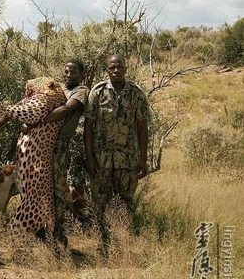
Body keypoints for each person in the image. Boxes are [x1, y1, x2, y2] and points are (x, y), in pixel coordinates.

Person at [83, 53, 150, 257]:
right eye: (112, 67)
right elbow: (88, 127)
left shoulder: (136, 94)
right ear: (107, 70)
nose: (116, 70)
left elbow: (142, 127)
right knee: (99, 203)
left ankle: (123, 245)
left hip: (127, 160)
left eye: (119, 67)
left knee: (126, 203)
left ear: (125, 68)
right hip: (101, 161)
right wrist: (90, 158)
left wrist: (143, 159)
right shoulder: (98, 92)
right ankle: (103, 246)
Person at [22, 59, 89, 247]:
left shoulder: (80, 91)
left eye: (73, 71)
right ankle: (39, 231)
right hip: (39, 143)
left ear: (81, 74)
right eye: (66, 71)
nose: (68, 74)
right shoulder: (57, 88)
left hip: (58, 145)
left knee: (57, 190)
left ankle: (58, 236)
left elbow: (65, 109)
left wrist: (35, 122)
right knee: (37, 187)